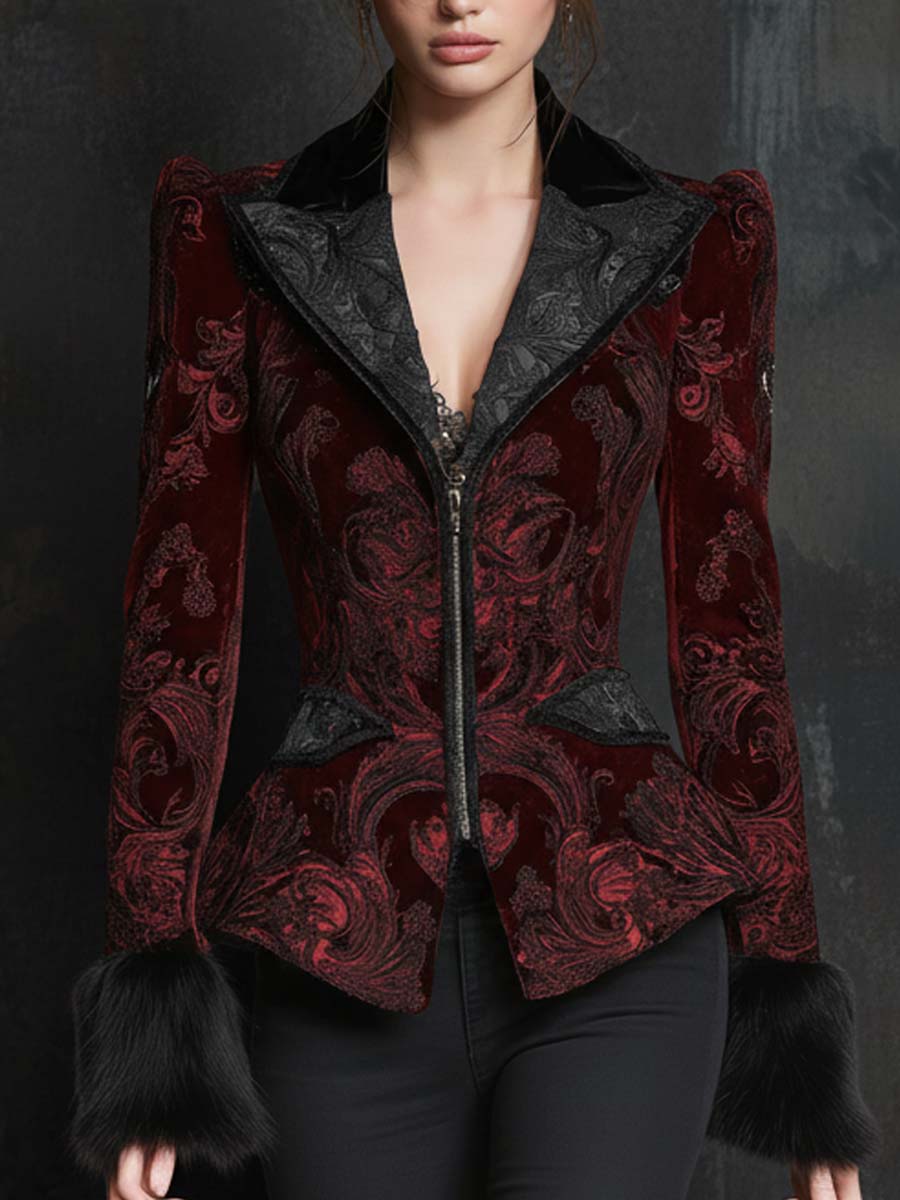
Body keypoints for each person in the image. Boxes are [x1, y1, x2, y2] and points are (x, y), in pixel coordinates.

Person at [67, 3, 881, 1199]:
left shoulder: (686, 240)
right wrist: (154, 1013)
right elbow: (176, 621)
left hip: (619, 929)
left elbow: (732, 627)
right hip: (333, 936)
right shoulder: (239, 240)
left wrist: (788, 992)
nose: (462, 0)